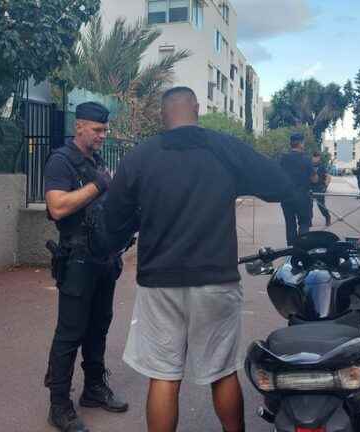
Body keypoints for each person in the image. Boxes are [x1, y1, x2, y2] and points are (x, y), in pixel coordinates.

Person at [103, 87, 294, 432]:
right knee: (221, 371)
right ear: (197, 108)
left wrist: (133, 226)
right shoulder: (224, 149)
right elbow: (279, 184)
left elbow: (112, 222)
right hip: (216, 279)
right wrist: (236, 182)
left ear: (163, 115)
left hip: (159, 282)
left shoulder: (141, 156)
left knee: (163, 376)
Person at [42, 102, 128, 432]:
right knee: (70, 332)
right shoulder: (61, 161)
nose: (103, 136)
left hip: (104, 258)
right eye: (97, 130)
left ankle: (94, 388)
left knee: (99, 326)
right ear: (79, 127)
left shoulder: (96, 160)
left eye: (104, 130)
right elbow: (57, 206)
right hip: (77, 259)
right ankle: (59, 405)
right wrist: (97, 186)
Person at [280, 133, 313, 246]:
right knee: (304, 223)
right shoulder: (307, 160)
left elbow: (278, 175)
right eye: (303, 142)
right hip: (303, 198)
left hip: (286, 197)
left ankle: (291, 250)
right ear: (300, 144)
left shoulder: (283, 158)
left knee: (290, 224)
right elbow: (314, 179)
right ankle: (302, 248)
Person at [310, 151, 332, 226]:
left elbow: (328, 177)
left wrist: (325, 187)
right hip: (310, 187)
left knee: (321, 205)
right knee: (309, 205)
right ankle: (309, 220)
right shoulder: (309, 166)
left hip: (319, 188)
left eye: (317, 157)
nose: (315, 159)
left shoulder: (322, 167)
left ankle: (327, 217)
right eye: (314, 157)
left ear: (319, 158)